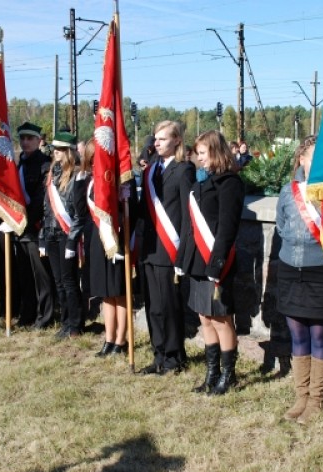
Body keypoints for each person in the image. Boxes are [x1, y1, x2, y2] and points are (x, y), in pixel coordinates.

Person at [275, 135, 323, 422]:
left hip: (321, 269)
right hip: (290, 267)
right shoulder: (288, 191)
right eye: (312, 157)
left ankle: (317, 399)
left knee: (319, 334)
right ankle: (301, 396)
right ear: (301, 159)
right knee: (298, 333)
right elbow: (280, 225)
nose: (316, 163)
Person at [178, 130, 245, 395]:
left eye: (203, 153)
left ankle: (228, 375)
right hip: (198, 262)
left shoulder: (230, 183)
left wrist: (216, 264)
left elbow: (227, 227)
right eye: (197, 154)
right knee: (204, 318)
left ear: (216, 152)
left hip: (217, 261)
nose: (199, 159)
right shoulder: (201, 183)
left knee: (220, 318)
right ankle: (212, 373)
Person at [138, 121, 195, 375]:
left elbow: (187, 215)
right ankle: (158, 353)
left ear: (177, 142)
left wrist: (182, 254)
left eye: (162, 139)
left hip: (169, 249)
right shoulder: (150, 171)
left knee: (169, 306)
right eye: (155, 139)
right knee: (153, 306)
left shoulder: (184, 170)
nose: (156, 143)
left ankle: (174, 357)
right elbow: (143, 211)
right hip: (149, 248)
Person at [87, 139, 135, 357]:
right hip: (98, 242)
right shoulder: (89, 181)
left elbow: (132, 212)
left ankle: (121, 340)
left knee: (119, 293)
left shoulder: (122, 180)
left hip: (118, 239)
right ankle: (109, 338)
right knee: (106, 293)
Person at [41, 131, 88, 338]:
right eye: (55, 149)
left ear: (69, 151)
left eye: (60, 149)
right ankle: (66, 322)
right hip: (51, 232)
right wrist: (43, 236)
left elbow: (79, 214)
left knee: (69, 281)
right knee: (58, 281)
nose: (56, 153)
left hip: (66, 234)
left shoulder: (77, 175)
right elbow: (46, 207)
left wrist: (72, 240)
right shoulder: (52, 173)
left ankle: (76, 324)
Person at [15, 122, 54, 328]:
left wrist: (27, 219)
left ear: (39, 141)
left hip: (36, 227)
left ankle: (45, 316)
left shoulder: (45, 164)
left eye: (30, 138)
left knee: (41, 276)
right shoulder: (19, 163)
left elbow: (42, 198)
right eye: (22, 138)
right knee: (24, 275)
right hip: (20, 228)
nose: (26, 142)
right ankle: (27, 313)